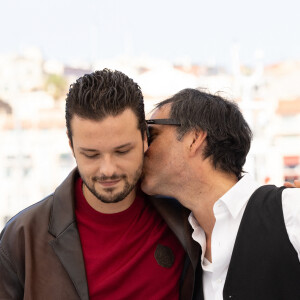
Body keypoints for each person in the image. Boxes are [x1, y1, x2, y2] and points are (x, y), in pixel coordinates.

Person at [0, 70, 199, 299]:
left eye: (122, 151)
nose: (108, 170)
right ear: (71, 144)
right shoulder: (21, 239)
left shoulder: (187, 220)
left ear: (145, 137)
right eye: (91, 154)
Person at [141, 88, 300, 300]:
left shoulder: (289, 210)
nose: (143, 147)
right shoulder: (186, 249)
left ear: (194, 137)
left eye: (151, 134)